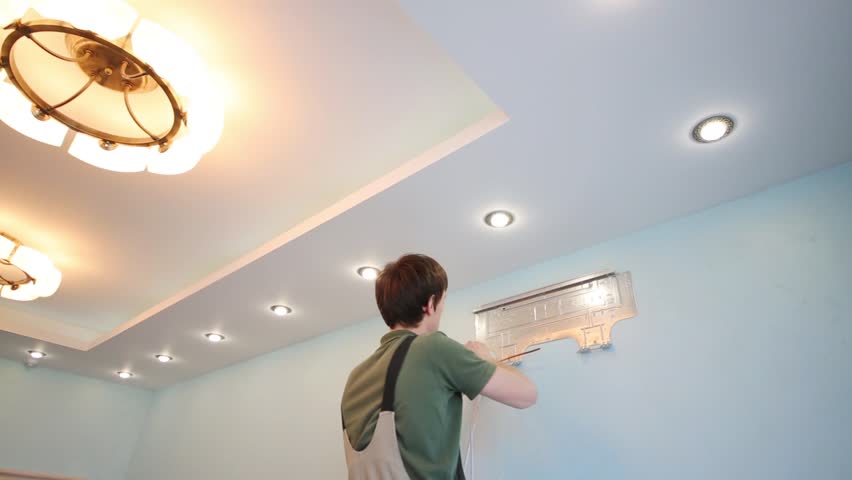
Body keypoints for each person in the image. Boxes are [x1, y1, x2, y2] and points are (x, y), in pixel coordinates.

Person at [341, 254, 538, 479]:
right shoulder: (433, 348)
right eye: (443, 301)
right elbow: (527, 395)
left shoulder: (355, 377)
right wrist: (486, 358)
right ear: (430, 304)